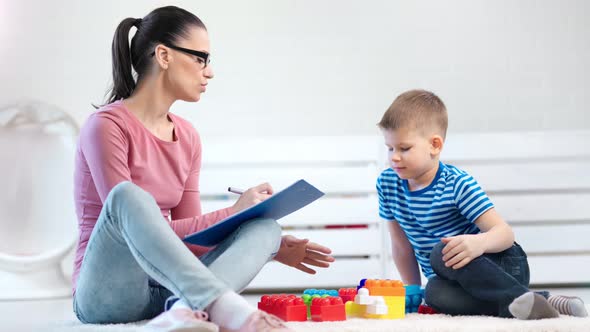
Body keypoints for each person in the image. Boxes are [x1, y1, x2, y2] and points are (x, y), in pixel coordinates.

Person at [72, 6, 334, 332]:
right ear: (164, 56)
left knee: (266, 229)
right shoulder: (106, 126)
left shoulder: (188, 137)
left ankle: (183, 311)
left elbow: (194, 242)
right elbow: (128, 234)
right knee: (129, 196)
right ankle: (223, 308)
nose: (209, 72)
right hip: (107, 293)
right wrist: (232, 212)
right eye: (200, 58)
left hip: (171, 291)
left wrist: (269, 247)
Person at [376, 89, 587, 319]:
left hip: (501, 264)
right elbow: (401, 246)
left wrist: (479, 243)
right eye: (390, 148)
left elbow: (504, 233)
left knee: (440, 252)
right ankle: (537, 301)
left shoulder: (457, 184)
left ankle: (519, 295)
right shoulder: (388, 184)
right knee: (434, 292)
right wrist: (413, 290)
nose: (394, 157)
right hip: (460, 283)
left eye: (404, 148)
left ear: (435, 145)